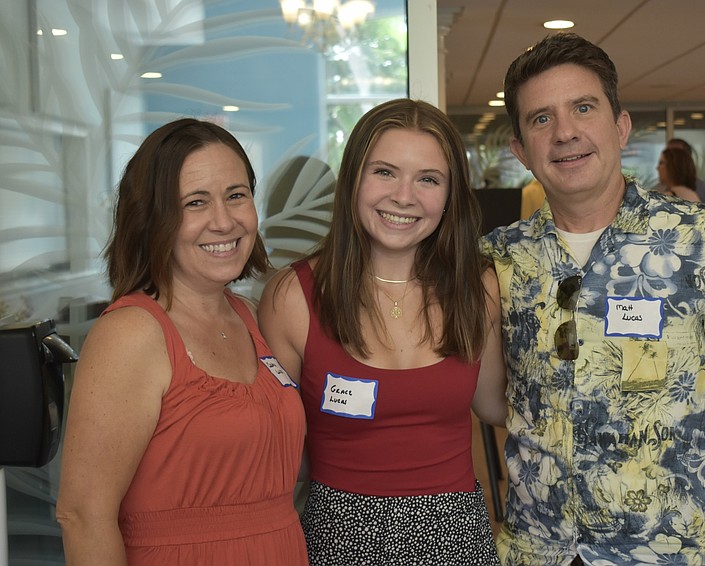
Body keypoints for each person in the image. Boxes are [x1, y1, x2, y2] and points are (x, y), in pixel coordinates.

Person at [480, 32, 705, 565]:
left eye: (583, 107)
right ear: (520, 150)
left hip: (672, 554)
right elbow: (494, 402)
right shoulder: (498, 260)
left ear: (620, 126)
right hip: (537, 553)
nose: (565, 133)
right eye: (541, 119)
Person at [258, 98, 507, 565]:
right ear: (353, 178)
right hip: (338, 539)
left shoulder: (479, 288)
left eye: (428, 179)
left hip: (457, 539)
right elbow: (278, 455)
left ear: (451, 194)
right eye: (385, 172)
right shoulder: (293, 298)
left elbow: (495, 405)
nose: (404, 196)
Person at [56, 118, 309, 565]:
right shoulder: (132, 334)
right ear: (154, 220)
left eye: (237, 195)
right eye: (195, 203)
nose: (224, 221)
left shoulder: (252, 317)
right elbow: (83, 515)